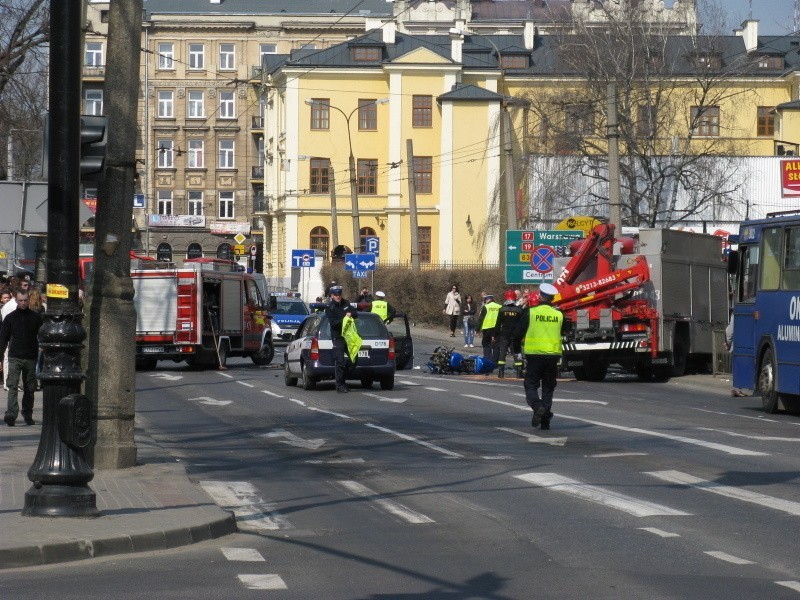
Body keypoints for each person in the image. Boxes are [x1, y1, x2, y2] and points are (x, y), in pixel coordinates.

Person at [513, 283, 566, 430]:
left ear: (540, 296)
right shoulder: (559, 314)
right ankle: (545, 421)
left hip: (534, 356)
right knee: (548, 388)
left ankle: (538, 407)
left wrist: (517, 351)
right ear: (552, 298)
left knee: (530, 385)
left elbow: (517, 334)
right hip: (552, 356)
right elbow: (564, 332)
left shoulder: (531, 312)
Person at [0, 291, 43, 426]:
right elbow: (3, 338)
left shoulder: (35, 317)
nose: (23, 303)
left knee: (29, 388)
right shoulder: (10, 318)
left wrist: (42, 346)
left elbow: (42, 334)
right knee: (12, 386)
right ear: (16, 301)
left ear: (28, 300)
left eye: (25, 300)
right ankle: (11, 414)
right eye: (20, 300)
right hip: (15, 357)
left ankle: (27, 414)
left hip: (30, 357)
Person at [324, 285, 358, 393]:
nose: (338, 296)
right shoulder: (330, 307)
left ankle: (343, 380)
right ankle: (340, 385)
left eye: (339, 294)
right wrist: (345, 318)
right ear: (332, 296)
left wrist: (351, 313)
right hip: (338, 337)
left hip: (348, 337)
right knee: (340, 361)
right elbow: (333, 323)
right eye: (335, 295)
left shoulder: (346, 303)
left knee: (354, 360)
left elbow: (356, 313)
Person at [494, 290, 524, 378]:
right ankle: (519, 371)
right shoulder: (519, 310)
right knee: (516, 352)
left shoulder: (502, 309)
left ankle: (501, 372)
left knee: (502, 352)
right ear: (515, 298)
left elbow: (498, 323)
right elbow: (522, 324)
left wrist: (494, 335)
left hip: (504, 334)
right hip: (515, 335)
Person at [725, 315, 746, 397]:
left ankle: (735, 388)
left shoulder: (735, 314)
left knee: (737, 367)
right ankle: (736, 389)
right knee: (739, 367)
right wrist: (728, 343)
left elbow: (730, 331)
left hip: (737, 345)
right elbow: (730, 331)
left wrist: (728, 343)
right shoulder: (736, 314)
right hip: (739, 345)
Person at [475, 293, 501, 359]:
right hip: (497, 328)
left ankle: (487, 359)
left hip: (487, 328)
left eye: (485, 300)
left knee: (486, 344)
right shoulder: (500, 306)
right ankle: (495, 362)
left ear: (488, 299)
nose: (485, 301)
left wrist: (477, 329)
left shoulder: (486, 307)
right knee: (496, 345)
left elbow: (481, 318)